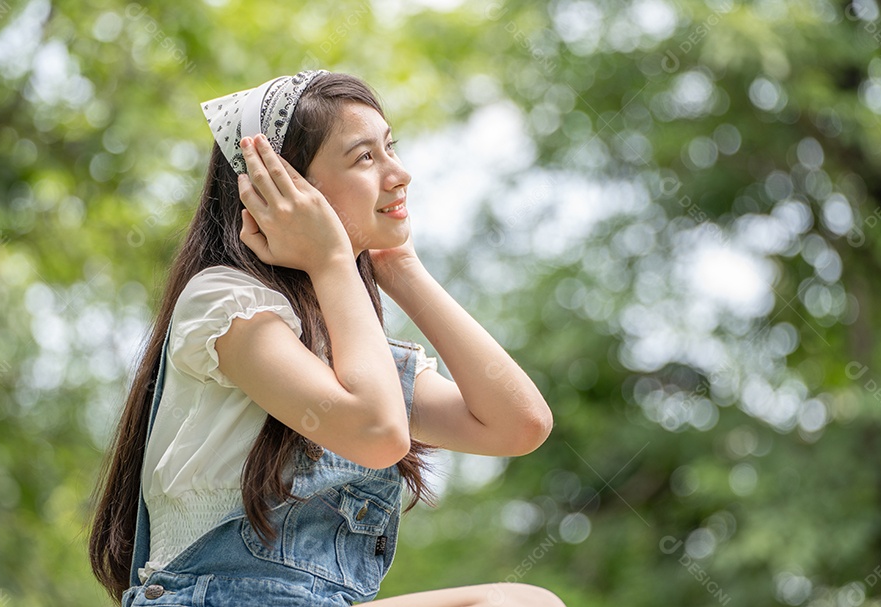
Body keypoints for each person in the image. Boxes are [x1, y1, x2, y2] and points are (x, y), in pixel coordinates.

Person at [89, 69, 563, 607]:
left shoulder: (357, 360)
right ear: (282, 189)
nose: (399, 173)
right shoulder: (223, 301)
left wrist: (400, 269)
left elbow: (520, 424)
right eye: (365, 157)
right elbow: (378, 432)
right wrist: (334, 259)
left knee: (525, 603)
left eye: (391, 148)